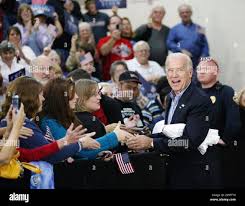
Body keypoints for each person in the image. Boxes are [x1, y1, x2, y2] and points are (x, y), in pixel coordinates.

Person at [126, 53, 214, 189]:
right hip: (171, 171)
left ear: (190, 73)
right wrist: (141, 138)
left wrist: (150, 142)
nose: (174, 75)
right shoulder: (170, 97)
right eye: (170, 70)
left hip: (192, 176)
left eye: (179, 70)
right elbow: (169, 133)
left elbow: (188, 141)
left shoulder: (199, 101)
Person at [1, 76, 99, 164]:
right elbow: (50, 156)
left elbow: (31, 154)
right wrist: (80, 144)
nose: (43, 99)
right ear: (30, 98)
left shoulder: (21, 123)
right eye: (40, 95)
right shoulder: (25, 125)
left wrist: (68, 141)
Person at [40, 78, 133, 159]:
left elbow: (79, 152)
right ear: (60, 97)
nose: (76, 97)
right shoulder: (50, 121)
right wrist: (115, 136)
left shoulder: (61, 118)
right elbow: (80, 152)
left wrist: (99, 153)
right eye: (72, 93)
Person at [197, 58, 241, 188]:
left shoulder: (225, 91)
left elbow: (234, 121)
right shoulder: (193, 92)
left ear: (216, 72)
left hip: (217, 152)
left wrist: (224, 140)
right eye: (199, 68)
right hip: (194, 150)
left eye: (206, 68)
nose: (201, 71)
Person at [167, 4, 209, 69]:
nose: (185, 14)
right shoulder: (174, 29)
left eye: (187, 12)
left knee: (197, 79)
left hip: (198, 64)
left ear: (191, 13)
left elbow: (205, 45)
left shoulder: (200, 28)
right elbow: (169, 43)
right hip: (181, 63)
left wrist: (203, 58)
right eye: (182, 12)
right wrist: (180, 50)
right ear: (179, 14)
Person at [97, 15, 134, 80]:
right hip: (110, 79)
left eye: (119, 23)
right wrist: (113, 38)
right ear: (109, 27)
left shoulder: (128, 42)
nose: (117, 25)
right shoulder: (103, 40)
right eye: (114, 23)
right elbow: (103, 52)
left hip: (126, 78)